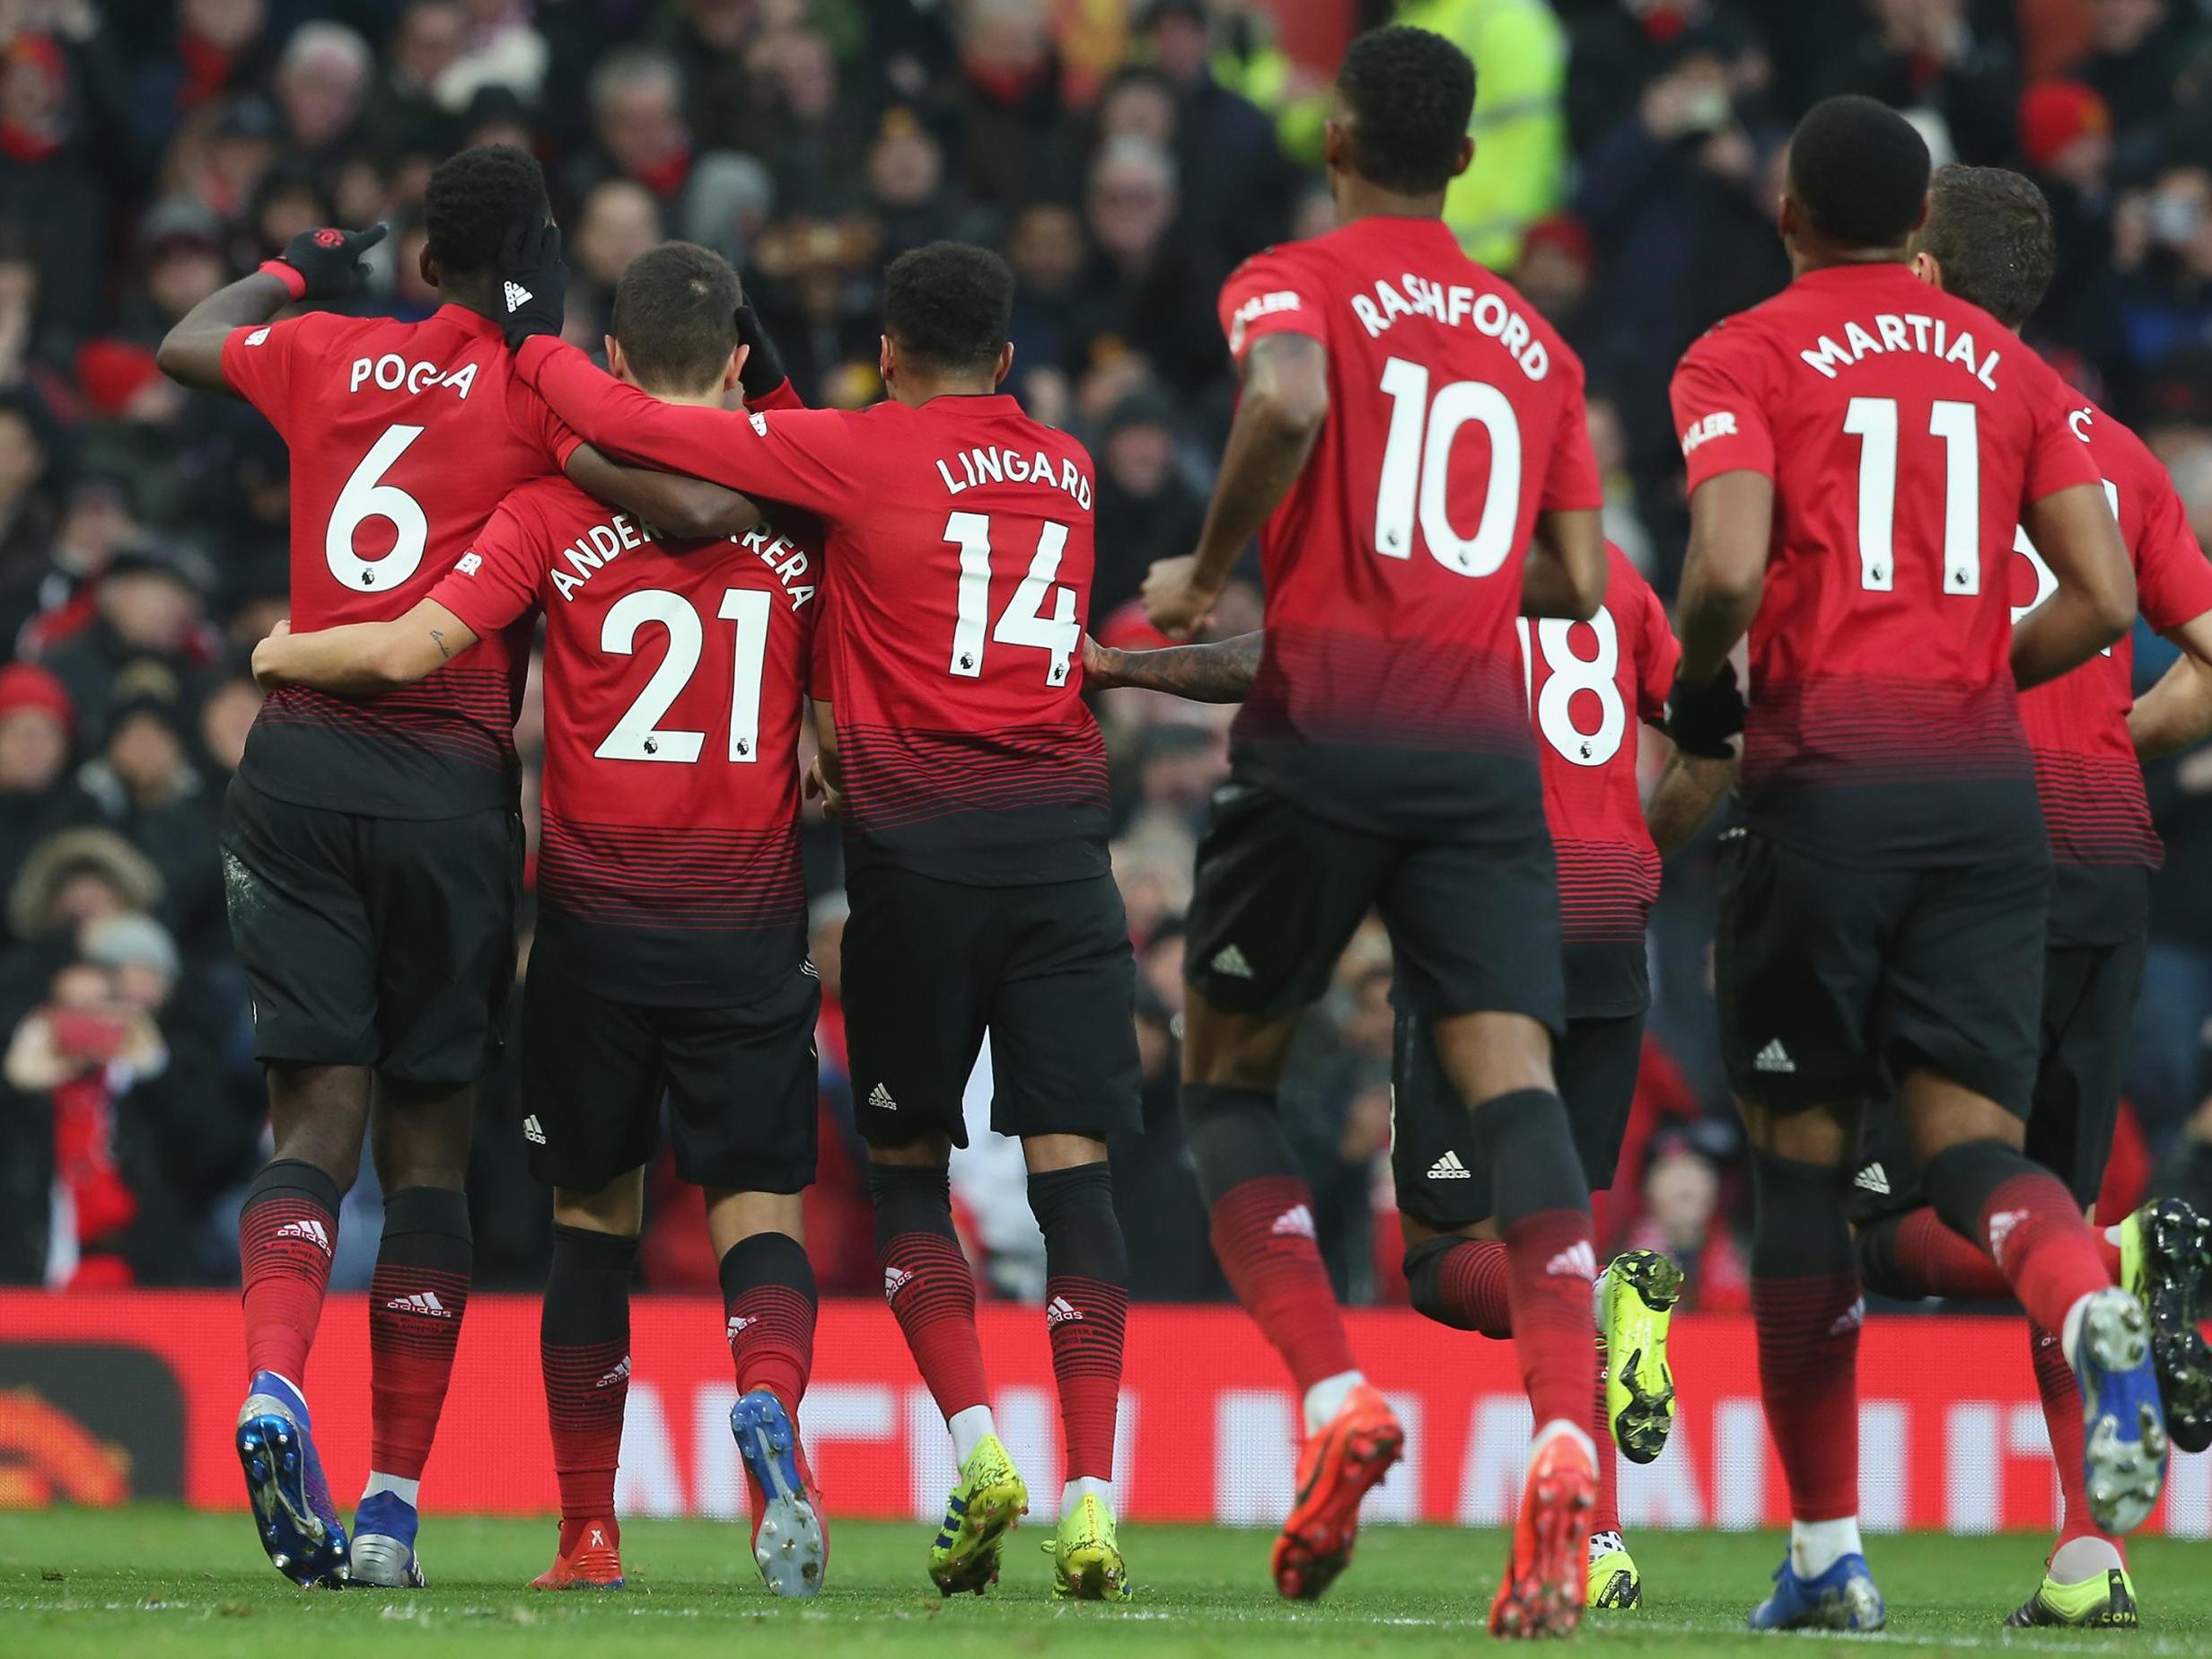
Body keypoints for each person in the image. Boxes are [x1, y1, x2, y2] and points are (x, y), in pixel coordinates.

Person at [496, 235, 1139, 1602]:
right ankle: (1091, 1497)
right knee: (1065, 1178)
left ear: (888, 358)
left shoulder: (846, 461)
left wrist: (530, 354)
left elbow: (643, 447)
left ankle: (612, 1528)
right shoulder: (1071, 473)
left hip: (859, 872)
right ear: (1011, 359)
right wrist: (756, 374)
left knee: (834, 1180)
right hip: (1054, 859)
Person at [152, 143, 750, 1590]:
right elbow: (687, 500)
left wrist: (304, 258)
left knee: (312, 1124)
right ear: (540, 254)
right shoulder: (539, 387)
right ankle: (390, 1511)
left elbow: (183, 337)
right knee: (429, 1156)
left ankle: (274, 1377)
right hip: (443, 781)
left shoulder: (325, 350)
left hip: (295, 769)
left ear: (423, 264)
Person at [248, 242, 828, 1598]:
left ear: (612, 365)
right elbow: (844, 749)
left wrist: (281, 651)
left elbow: (407, 652)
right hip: (747, 923)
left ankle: (586, 1534)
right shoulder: (805, 504)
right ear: (740, 362)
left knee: (590, 1222)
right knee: (760, 1210)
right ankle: (768, 1407)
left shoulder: (549, 510)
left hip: (589, 926)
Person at [1137, 25, 1611, 1631]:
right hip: (1481, 749)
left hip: (1322, 732)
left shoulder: (1294, 277)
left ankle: (1332, 1392)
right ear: (1467, 162)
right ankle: (1561, 1429)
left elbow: (1279, 397)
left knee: (1222, 1077)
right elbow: (1571, 572)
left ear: (1333, 136)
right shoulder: (1533, 343)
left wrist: (1204, 576)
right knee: (1513, 1083)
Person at [1664, 97, 2155, 1633]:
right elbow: (2105, 593)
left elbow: (1730, 564)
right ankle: (2084, 1302)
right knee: (1966, 1142)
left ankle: (1825, 1550)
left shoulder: (1736, 352)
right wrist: (1966, 674)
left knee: (1801, 1161)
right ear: (1909, 229)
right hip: (1982, 801)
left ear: (1792, 208)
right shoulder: (2015, 373)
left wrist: (1697, 685)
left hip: (1820, 790)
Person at [1088, 544, 1734, 1612]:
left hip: (1481, 916)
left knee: (1444, 1260)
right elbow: (1716, 738)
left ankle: (1607, 1442)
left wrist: (1124, 666)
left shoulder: (1439, 558)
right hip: (1612, 932)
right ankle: (1599, 1540)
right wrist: (1634, 858)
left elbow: (1282, 659)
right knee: (1558, 1231)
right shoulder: (1615, 575)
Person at [1837, 163, 2212, 1632]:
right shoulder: (2109, 450)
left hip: (1944, 855)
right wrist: (2109, 733)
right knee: (2039, 1196)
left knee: (1877, 1196)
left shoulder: (1889, 429)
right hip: (2106, 858)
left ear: (1920, 268)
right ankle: (2086, 1548)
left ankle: (2093, 1266)